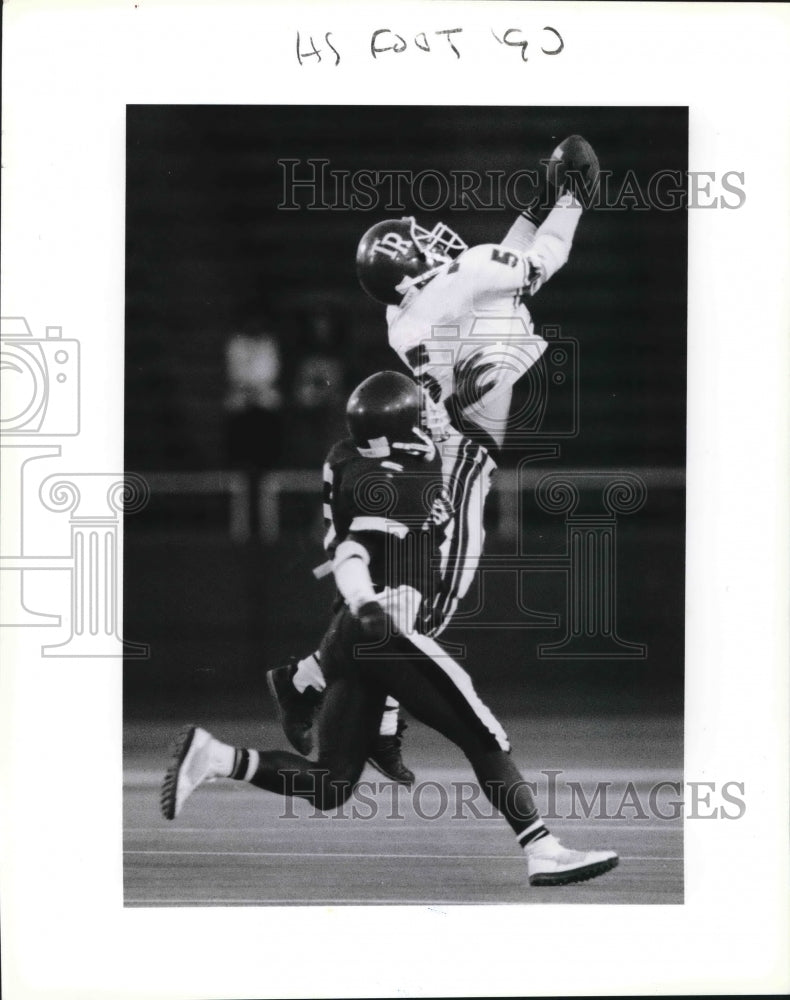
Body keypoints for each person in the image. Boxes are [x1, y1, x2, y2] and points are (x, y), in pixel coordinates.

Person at [161, 372, 618, 887]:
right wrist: (367, 603)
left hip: (352, 636)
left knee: (333, 783)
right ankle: (544, 849)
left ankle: (216, 755)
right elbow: (353, 552)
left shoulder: (352, 458)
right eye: (424, 414)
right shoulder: (399, 476)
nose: (435, 417)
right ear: (406, 429)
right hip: (382, 628)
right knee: (484, 734)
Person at [267, 135, 601, 774]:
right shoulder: (467, 271)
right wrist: (573, 200)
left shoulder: (406, 314)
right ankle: (314, 686)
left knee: (405, 588)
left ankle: (341, 701)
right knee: (433, 599)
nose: (432, 238)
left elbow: (490, 275)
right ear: (408, 258)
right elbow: (539, 261)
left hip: (447, 440)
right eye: (418, 238)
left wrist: (540, 199)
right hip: (465, 448)